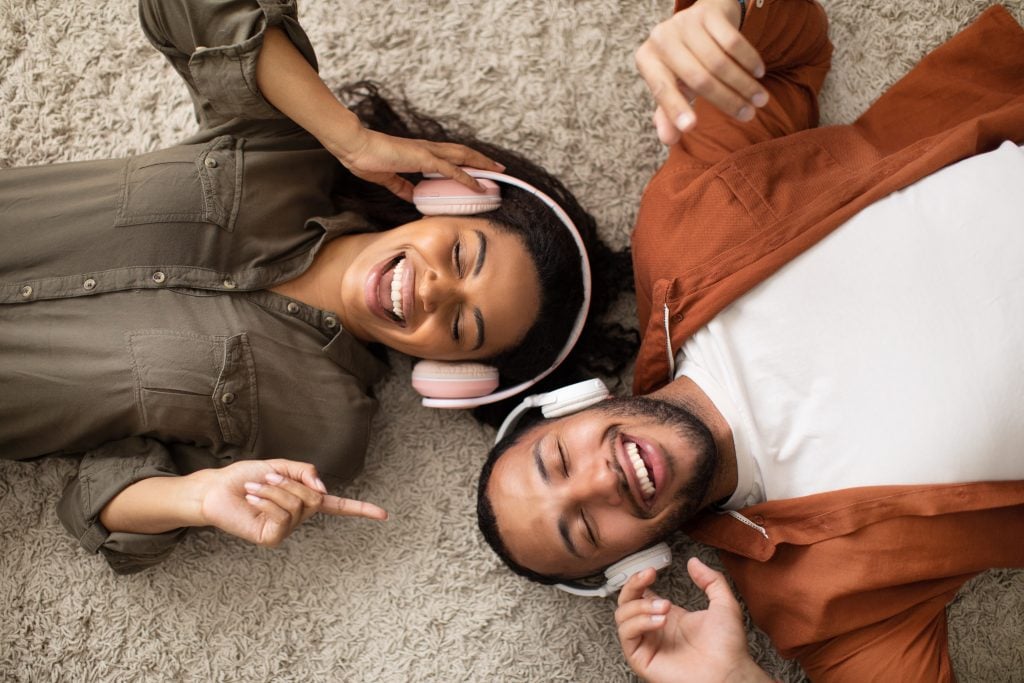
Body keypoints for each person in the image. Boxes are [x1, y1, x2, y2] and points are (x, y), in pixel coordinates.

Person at [476, 0, 1024, 680]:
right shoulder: (820, 601)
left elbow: (788, 48)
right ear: (632, 565)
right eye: (585, 528)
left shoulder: (680, 228)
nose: (599, 480)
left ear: (574, 403)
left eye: (559, 458)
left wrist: (715, 14)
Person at [0, 0, 632, 574]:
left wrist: (196, 497)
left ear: (452, 376)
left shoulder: (324, 432)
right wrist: (348, 137)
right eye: (464, 255)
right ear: (447, 202)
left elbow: (96, 501)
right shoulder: (289, 150)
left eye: (465, 327)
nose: (439, 292)